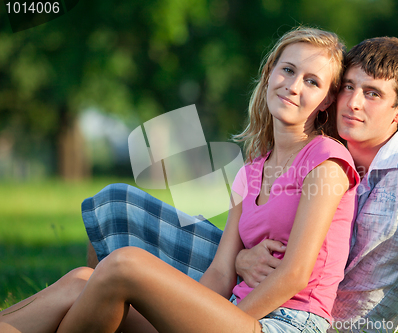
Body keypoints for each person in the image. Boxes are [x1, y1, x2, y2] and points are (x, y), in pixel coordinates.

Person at [86, 35, 398, 332]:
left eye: (372, 94)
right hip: (259, 287)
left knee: (124, 271)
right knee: (114, 210)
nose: (354, 102)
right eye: (349, 88)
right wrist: (239, 261)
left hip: (310, 318)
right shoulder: (326, 147)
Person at [0, 27, 360, 333]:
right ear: (270, 72)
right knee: (82, 279)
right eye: (288, 70)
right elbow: (220, 273)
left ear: (327, 100)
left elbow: (296, 274)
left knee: (125, 264)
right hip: (232, 315)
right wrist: (184, 312)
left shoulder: (326, 159)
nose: (294, 86)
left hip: (285, 324)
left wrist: (222, 321)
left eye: (312, 81)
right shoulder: (251, 170)